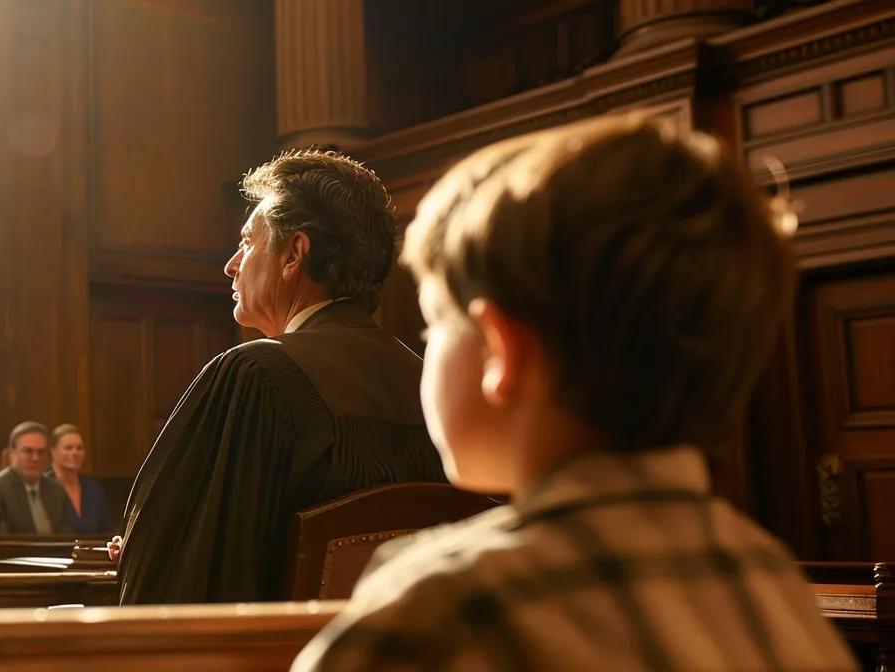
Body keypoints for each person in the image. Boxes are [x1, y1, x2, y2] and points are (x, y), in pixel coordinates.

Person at [292, 114, 854, 670]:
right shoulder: (771, 580)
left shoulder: (439, 611)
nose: (426, 346)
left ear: (501, 351)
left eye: (433, 325)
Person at [112, 149, 445, 604]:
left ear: (294, 255)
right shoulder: (433, 386)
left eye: (247, 243)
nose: (232, 265)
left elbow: (170, 573)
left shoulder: (253, 375)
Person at [0, 422, 73, 534]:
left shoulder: (56, 489)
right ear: (12, 453)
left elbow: (66, 537)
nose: (35, 458)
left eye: (41, 452)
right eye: (28, 451)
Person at [47, 424, 112, 535]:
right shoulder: (43, 485)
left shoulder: (92, 488)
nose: (75, 453)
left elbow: (107, 530)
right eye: (68, 448)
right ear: (53, 451)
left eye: (79, 448)